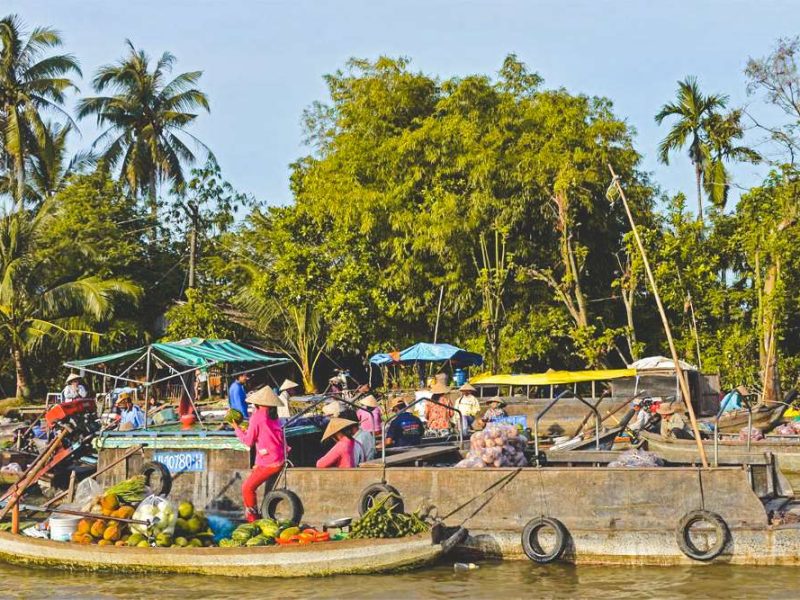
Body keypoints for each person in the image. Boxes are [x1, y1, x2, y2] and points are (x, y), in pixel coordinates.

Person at [232, 386, 287, 522]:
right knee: (251, 483)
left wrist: (236, 429)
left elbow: (248, 441)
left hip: (270, 463)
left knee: (247, 488)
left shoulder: (257, 416)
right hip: (278, 458)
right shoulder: (273, 415)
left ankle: (253, 520)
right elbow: (263, 435)